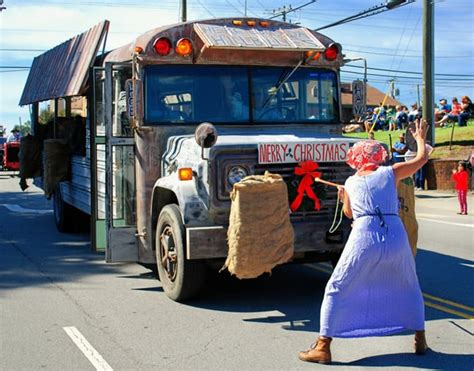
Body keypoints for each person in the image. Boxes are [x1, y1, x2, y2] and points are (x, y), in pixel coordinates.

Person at [298, 119, 429, 364]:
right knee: (408, 282)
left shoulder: (350, 182)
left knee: (337, 285)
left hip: (365, 232)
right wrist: (420, 139)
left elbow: (348, 214)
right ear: (378, 157)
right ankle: (420, 338)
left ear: (355, 160)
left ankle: (323, 346)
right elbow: (421, 160)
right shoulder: (390, 173)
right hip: (394, 231)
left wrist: (342, 197)